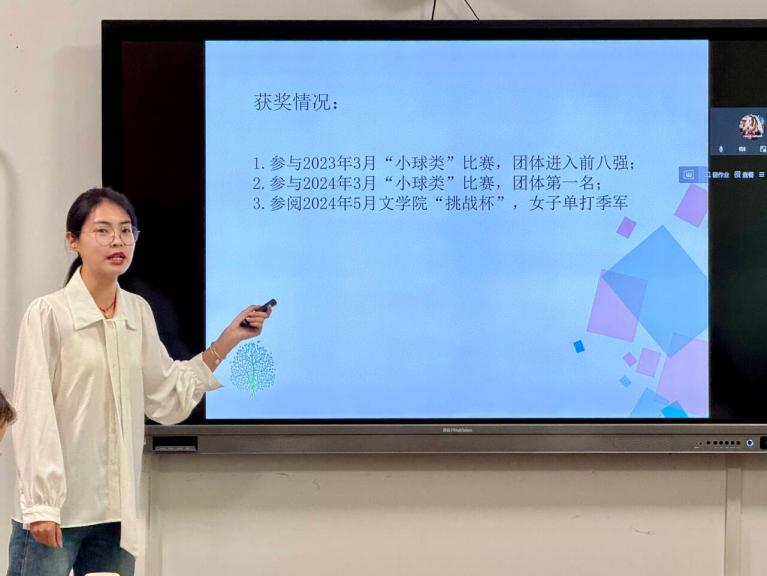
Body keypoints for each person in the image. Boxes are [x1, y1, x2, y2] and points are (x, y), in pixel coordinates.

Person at [8, 187, 271, 576]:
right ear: (72, 240)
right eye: (103, 230)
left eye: (126, 230)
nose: (118, 241)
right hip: (56, 516)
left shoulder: (137, 312)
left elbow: (165, 396)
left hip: (116, 518)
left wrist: (227, 340)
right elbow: (33, 412)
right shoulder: (48, 314)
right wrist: (41, 504)